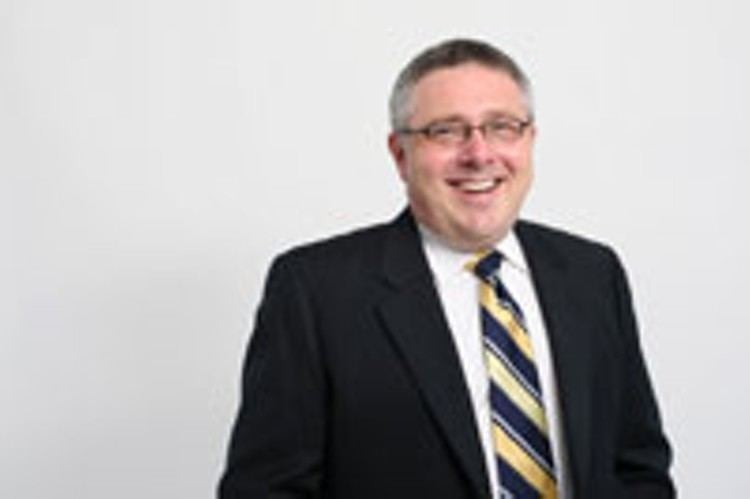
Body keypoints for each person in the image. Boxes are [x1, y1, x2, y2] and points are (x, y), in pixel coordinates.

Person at [218, 38, 675, 499]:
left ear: (530, 140)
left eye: (502, 127)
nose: (479, 154)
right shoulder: (315, 292)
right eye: (447, 132)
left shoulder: (592, 274)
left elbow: (638, 467)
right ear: (400, 155)